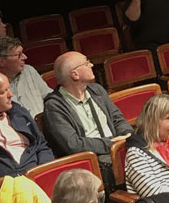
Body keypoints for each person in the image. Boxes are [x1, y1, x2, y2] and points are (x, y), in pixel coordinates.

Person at [42, 51, 133, 185]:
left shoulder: (97, 90)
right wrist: (112, 143)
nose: (91, 64)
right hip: (93, 160)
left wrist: (127, 135)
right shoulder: (55, 106)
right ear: (75, 74)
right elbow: (73, 145)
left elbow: (117, 118)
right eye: (86, 63)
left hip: (117, 148)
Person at [0, 35, 50, 117]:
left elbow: (49, 96)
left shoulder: (29, 70)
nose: (25, 57)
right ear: (2, 61)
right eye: (18, 55)